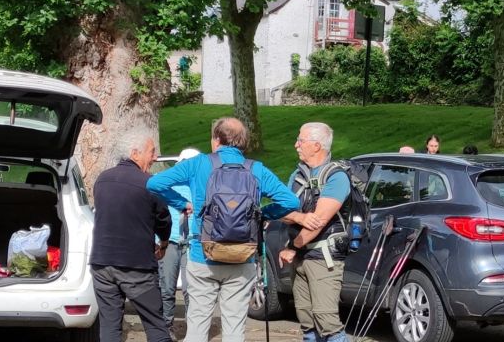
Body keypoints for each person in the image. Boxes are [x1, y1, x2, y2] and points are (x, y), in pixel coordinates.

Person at [146, 117, 304, 342]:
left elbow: (154, 184)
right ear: (243, 142)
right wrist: (262, 214)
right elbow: (291, 202)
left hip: (203, 254)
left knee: (197, 324)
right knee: (234, 327)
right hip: (242, 256)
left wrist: (181, 203)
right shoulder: (256, 169)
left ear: (216, 140)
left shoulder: (198, 164)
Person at [91, 137, 174, 342]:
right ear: (134, 153)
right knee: (155, 325)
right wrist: (164, 243)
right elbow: (163, 219)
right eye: (151, 151)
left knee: (109, 326)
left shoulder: (102, 179)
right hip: (136, 266)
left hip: (102, 263)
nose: (155, 157)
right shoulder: (149, 183)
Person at [284, 123, 351, 342]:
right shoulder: (297, 175)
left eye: (300, 140)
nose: (296, 145)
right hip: (300, 256)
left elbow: (318, 222)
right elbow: (281, 212)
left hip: (324, 258)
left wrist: (293, 246)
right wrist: (299, 217)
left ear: (316, 145)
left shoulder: (336, 177)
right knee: (306, 320)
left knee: (327, 321)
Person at [159, 147, 200, 318]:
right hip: (169, 241)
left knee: (191, 290)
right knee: (166, 288)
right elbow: (158, 213)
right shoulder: (168, 182)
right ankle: (166, 327)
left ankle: (194, 328)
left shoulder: (200, 184)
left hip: (192, 242)